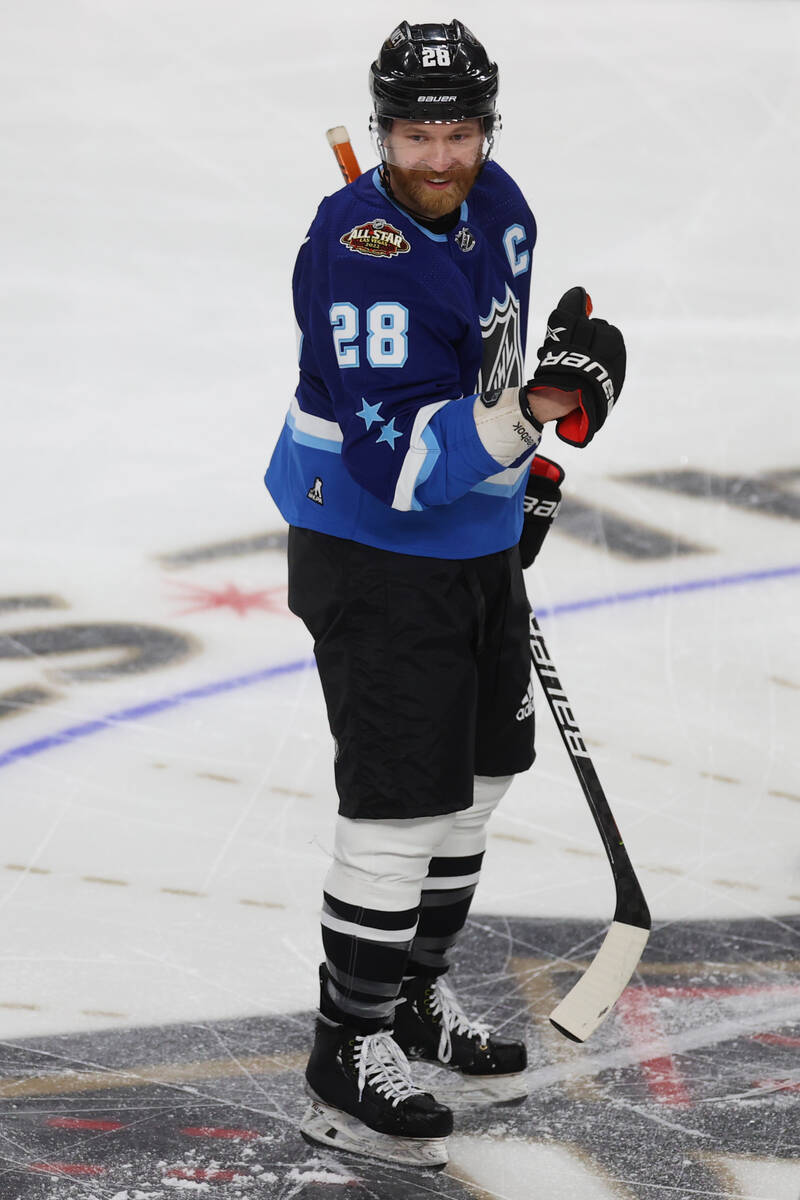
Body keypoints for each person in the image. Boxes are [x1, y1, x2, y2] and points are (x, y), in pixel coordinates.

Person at [264, 18, 626, 1167]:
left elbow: (490, 363)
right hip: (373, 550)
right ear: (381, 132)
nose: (436, 158)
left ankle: (411, 996)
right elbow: (403, 465)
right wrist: (530, 414)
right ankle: (346, 1043)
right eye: (414, 134)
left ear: (485, 128)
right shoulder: (358, 252)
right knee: (399, 808)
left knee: (474, 782)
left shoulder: (500, 205)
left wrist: (549, 424)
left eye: (457, 130)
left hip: (466, 542)